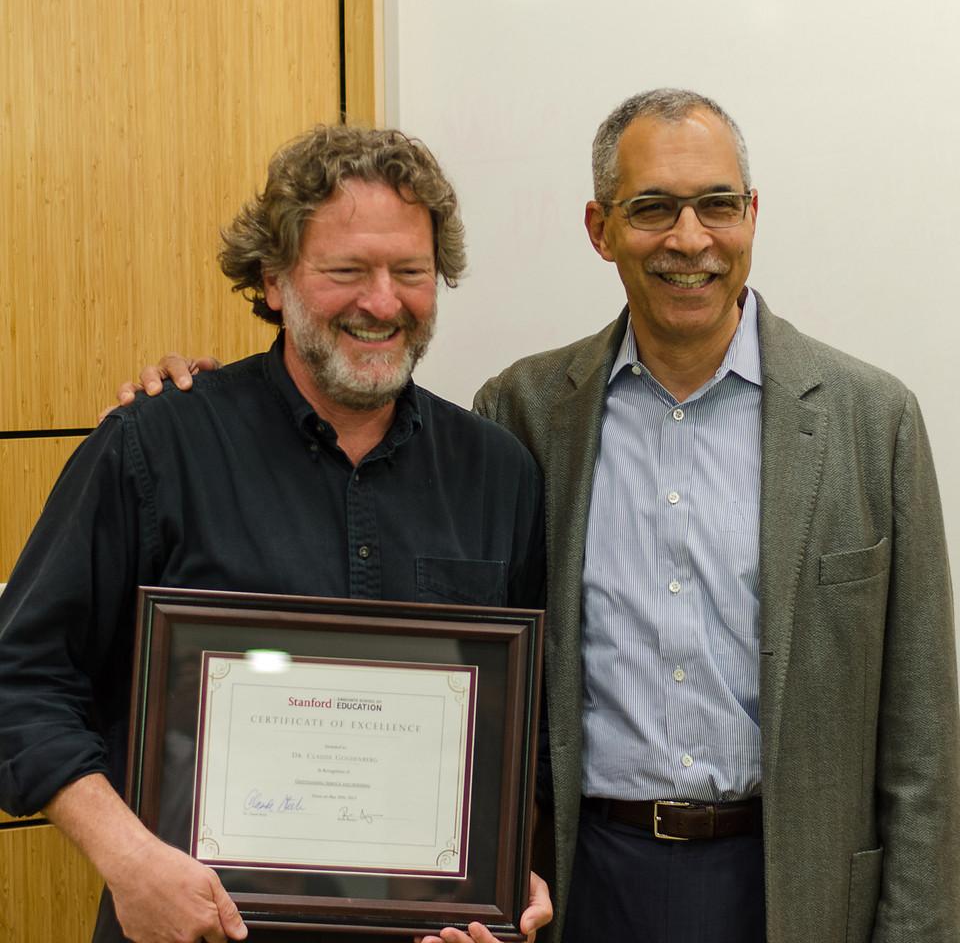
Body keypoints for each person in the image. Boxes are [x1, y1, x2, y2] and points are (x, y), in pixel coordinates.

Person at [130, 90, 960, 943]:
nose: (689, 238)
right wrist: (208, 407)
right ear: (600, 229)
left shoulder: (873, 420)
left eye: (716, 204)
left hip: (795, 885)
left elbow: (924, 740)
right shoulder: (525, 412)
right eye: (652, 209)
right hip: (582, 879)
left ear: (751, 215)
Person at [0, 125, 551, 943]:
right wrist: (129, 861)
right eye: (345, 271)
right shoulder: (156, 447)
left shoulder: (497, 472)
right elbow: (20, 680)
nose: (383, 301)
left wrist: (515, 876)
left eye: (411, 271)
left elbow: (524, 727)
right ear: (272, 279)